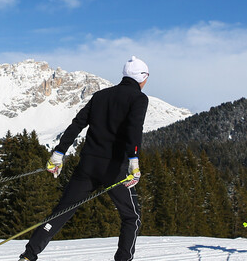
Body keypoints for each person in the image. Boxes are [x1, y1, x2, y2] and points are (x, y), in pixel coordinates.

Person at [18, 56, 150, 261]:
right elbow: (134, 129)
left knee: (62, 211)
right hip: (114, 170)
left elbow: (77, 124)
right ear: (142, 77)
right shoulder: (139, 99)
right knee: (131, 216)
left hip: (87, 166)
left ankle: (29, 255)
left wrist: (58, 154)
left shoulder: (100, 96)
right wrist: (134, 162)